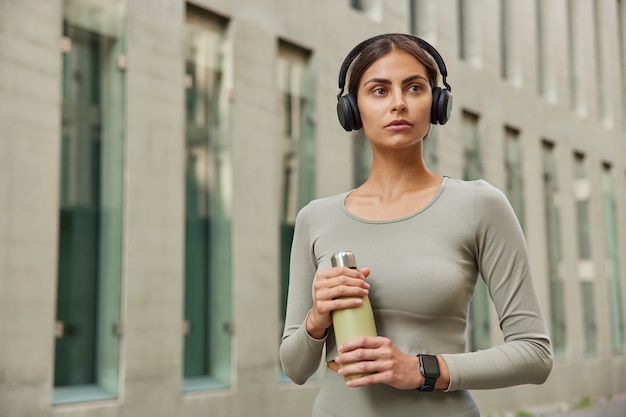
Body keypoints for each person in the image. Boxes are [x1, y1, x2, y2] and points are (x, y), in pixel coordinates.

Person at [279, 33, 553, 417]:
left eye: (414, 87)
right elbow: (294, 368)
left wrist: (423, 369)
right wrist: (316, 319)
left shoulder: (479, 204)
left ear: (438, 104)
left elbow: (535, 354)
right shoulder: (315, 218)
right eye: (379, 90)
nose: (399, 104)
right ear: (352, 109)